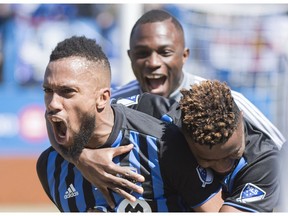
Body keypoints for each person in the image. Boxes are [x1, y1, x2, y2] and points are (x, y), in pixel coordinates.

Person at [66, 9, 286, 207]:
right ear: (130, 57)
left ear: (184, 56)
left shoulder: (228, 103)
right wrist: (80, 156)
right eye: (142, 53)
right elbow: (61, 119)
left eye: (165, 52)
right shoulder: (120, 103)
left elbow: (279, 151)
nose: (153, 62)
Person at [37, 36, 224, 212]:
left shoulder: (163, 145)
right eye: (48, 90)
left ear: (103, 98)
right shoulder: (50, 167)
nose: (53, 103)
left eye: (67, 91)